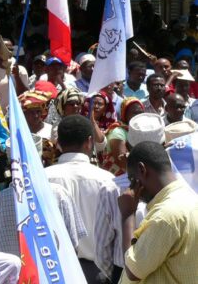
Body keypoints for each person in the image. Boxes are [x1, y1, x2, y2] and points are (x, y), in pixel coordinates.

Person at [44, 115, 114, 282]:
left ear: (58, 143)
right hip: (98, 272)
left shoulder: (42, 178)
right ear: (90, 141)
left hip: (53, 271)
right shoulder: (107, 180)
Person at [118, 141, 198, 283]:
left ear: (142, 170)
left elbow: (133, 271)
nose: (131, 187)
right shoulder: (190, 198)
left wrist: (127, 215)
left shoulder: (165, 216)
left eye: (132, 179)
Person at [0, 39, 29, 112]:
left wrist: (17, 76)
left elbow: (25, 96)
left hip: (16, 117)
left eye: (11, 50)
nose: (9, 52)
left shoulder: (21, 70)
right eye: (5, 49)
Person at [102, 98, 145, 176]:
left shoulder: (142, 131)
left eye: (141, 113)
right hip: (119, 178)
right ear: (125, 114)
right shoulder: (118, 132)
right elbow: (122, 163)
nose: (138, 116)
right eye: (135, 113)